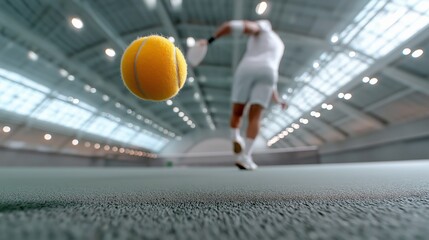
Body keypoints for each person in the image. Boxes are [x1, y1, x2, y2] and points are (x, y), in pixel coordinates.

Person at [199, 20, 288, 170]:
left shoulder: (264, 27)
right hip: (269, 74)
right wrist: (278, 100)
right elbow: (272, 73)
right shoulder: (280, 45)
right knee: (255, 117)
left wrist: (210, 40)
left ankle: (235, 137)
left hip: (247, 68)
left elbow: (232, 26)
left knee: (237, 112)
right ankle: (246, 156)